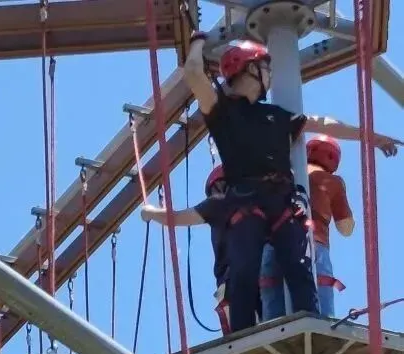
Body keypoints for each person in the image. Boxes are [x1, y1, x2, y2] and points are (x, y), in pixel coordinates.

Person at [181, 35, 400, 333]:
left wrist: (371, 137)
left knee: (297, 268)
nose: (270, 76)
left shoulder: (275, 116)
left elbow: (323, 124)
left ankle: (309, 322)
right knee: (248, 273)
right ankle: (245, 333)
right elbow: (194, 74)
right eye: (265, 68)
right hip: (249, 201)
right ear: (251, 69)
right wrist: (197, 42)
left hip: (279, 200)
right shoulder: (223, 112)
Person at [141, 163, 262, 334]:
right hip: (262, 279)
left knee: (244, 339)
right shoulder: (258, 204)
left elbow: (175, 218)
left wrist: (151, 212)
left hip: (233, 284)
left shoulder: (219, 203)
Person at [259, 135, 353, 319]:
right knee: (320, 297)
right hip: (314, 244)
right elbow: (346, 228)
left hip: (272, 246)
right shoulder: (332, 182)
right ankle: (322, 322)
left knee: (272, 300)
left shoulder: (281, 175)